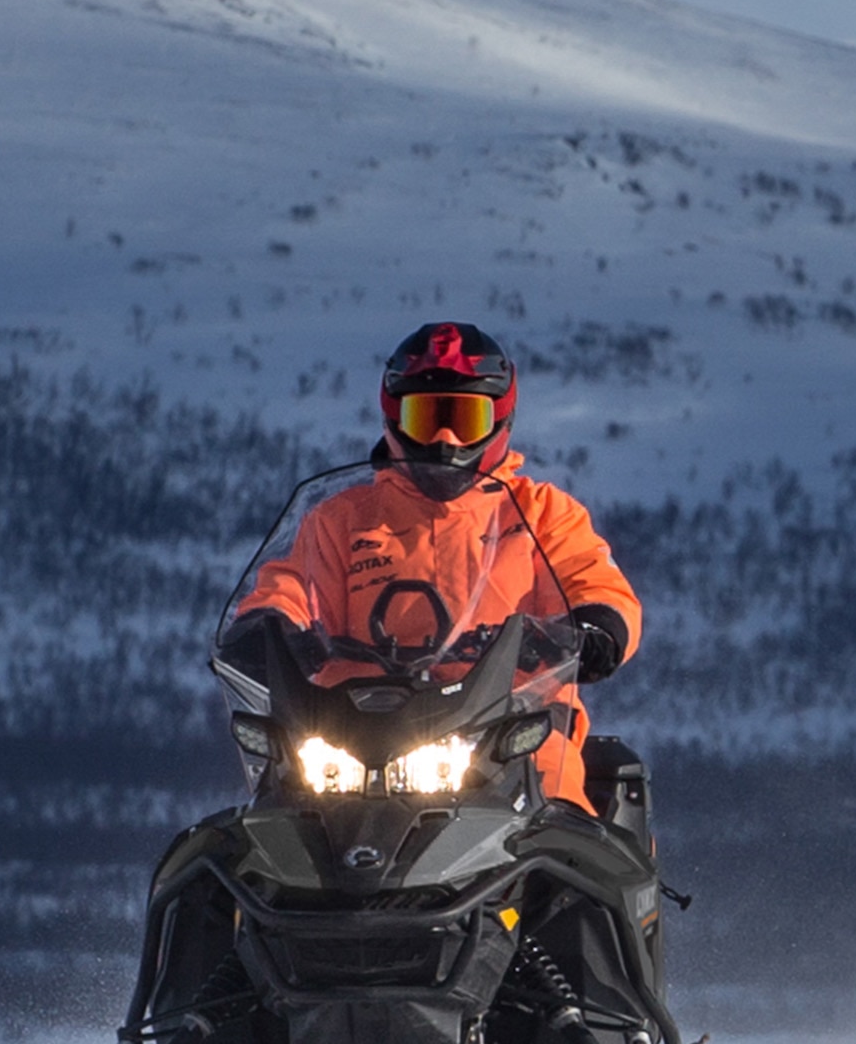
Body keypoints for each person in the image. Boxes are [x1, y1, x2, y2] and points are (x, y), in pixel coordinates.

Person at [218, 320, 639, 816]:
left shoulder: (541, 514)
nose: (443, 440)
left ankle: (573, 887)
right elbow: (289, 585)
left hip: (505, 731)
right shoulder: (341, 520)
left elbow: (593, 582)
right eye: (425, 418)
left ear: (500, 422)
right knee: (251, 838)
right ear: (393, 420)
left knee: (561, 828)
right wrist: (266, 628)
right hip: (351, 736)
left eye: (464, 420)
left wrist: (593, 629)